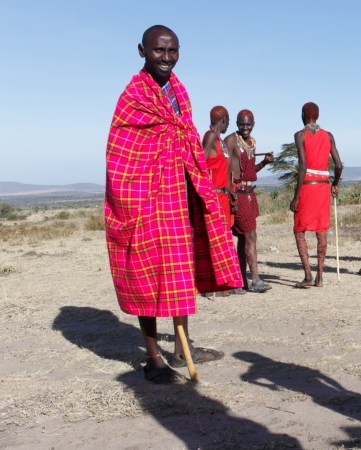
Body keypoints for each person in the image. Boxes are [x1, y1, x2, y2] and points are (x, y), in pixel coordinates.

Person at [105, 25, 240, 383]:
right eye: (158, 51)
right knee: (147, 274)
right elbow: (123, 155)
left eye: (173, 51)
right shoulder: (133, 96)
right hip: (145, 200)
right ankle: (153, 358)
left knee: (181, 273)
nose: (166, 58)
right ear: (141, 51)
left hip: (178, 196)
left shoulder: (179, 92)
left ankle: (182, 350)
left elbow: (185, 141)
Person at [289, 102, 344, 288]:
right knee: (321, 231)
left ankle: (308, 276)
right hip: (322, 188)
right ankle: (320, 277)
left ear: (303, 114)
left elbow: (302, 167)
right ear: (317, 116)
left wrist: (296, 196)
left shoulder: (299, 136)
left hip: (306, 187)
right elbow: (338, 166)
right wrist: (334, 184)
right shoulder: (328, 136)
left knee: (299, 230)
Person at [225, 110, 274, 293]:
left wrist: (264, 163)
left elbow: (248, 171)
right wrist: (229, 191)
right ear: (236, 124)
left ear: (253, 123)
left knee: (246, 237)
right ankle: (254, 280)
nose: (245, 127)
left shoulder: (252, 142)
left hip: (249, 193)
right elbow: (223, 167)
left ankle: (242, 280)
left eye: (248, 124)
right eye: (241, 124)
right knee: (250, 236)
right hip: (238, 193)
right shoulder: (231, 141)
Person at [201, 106, 235, 298]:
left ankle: (221, 282)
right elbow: (201, 162)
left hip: (222, 195)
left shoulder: (219, 140)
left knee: (222, 239)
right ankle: (211, 285)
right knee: (213, 240)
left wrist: (228, 189)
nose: (228, 124)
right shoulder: (211, 136)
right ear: (223, 120)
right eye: (228, 121)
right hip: (213, 196)